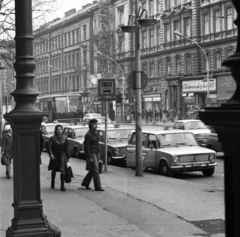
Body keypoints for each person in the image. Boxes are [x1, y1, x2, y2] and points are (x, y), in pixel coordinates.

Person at [81, 119, 104, 191]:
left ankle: (85, 182)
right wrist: (89, 157)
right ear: (91, 125)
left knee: (93, 169)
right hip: (92, 153)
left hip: (97, 152)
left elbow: (97, 144)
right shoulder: (88, 135)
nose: (96, 125)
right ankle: (98, 186)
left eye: (96, 124)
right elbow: (87, 147)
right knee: (96, 169)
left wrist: (99, 153)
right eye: (94, 124)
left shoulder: (95, 133)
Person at [48, 124, 70, 191]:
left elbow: (67, 148)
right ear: (56, 130)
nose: (59, 131)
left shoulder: (65, 138)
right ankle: (53, 181)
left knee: (62, 169)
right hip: (55, 155)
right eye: (58, 129)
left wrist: (68, 157)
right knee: (54, 169)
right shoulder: (52, 138)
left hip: (62, 155)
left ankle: (62, 185)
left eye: (60, 129)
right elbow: (49, 147)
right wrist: (51, 154)